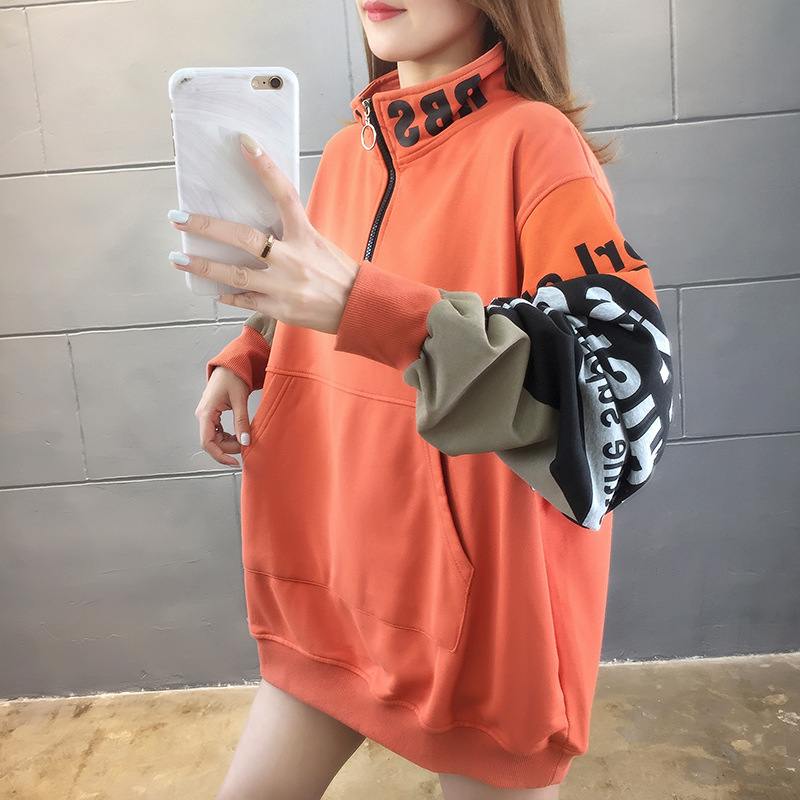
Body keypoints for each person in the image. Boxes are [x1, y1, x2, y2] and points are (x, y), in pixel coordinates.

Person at [168, 1, 673, 797]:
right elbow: (330, 283)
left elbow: (616, 397)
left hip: (471, 625)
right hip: (333, 582)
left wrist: (365, 307)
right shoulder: (350, 150)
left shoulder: (536, 143)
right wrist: (250, 353)